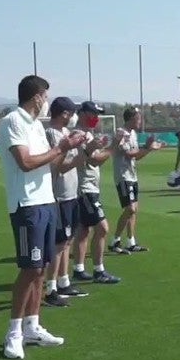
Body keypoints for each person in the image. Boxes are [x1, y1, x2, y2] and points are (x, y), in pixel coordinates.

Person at [0, 75, 88, 360]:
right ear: (37, 96)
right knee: (30, 269)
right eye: (45, 95)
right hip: (27, 205)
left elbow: (52, 164)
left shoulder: (37, 126)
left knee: (41, 267)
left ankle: (32, 326)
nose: (47, 100)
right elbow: (24, 162)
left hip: (46, 202)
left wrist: (69, 147)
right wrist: (60, 148)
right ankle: (13, 333)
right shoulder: (13, 121)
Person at [42, 96, 89, 308]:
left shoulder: (64, 133)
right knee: (59, 244)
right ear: (65, 114)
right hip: (59, 194)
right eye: (72, 113)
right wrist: (76, 161)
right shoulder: (51, 133)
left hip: (70, 193)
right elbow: (56, 166)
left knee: (67, 241)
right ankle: (50, 288)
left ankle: (63, 281)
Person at [72, 102, 123, 284]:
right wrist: (113, 147)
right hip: (85, 188)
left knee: (83, 230)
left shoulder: (86, 134)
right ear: (83, 113)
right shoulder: (79, 135)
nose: (96, 117)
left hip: (88, 187)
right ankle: (98, 270)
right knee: (102, 228)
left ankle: (78, 268)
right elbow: (94, 161)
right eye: (93, 113)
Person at [110, 106, 149, 254]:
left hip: (133, 175)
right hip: (123, 176)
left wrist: (148, 149)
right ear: (132, 119)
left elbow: (137, 155)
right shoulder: (121, 133)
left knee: (134, 210)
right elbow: (129, 154)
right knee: (130, 208)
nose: (140, 121)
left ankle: (131, 242)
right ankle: (115, 241)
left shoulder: (133, 134)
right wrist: (147, 147)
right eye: (138, 118)